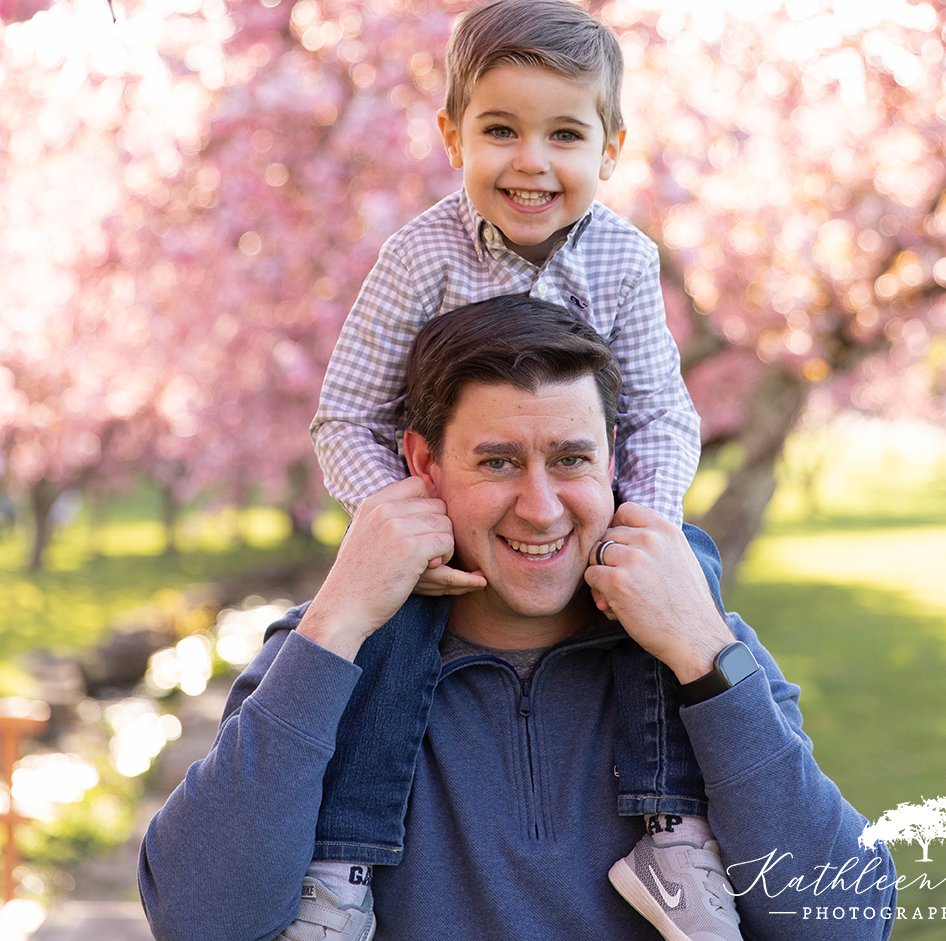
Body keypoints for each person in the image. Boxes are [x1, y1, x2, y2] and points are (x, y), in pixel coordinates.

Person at [140, 296, 896, 941]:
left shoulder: (705, 657)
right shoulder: (326, 654)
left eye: (570, 459)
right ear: (424, 465)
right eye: (498, 462)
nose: (540, 508)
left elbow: (847, 918)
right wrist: (336, 622)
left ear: (610, 463)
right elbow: (200, 918)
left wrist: (705, 653)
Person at [304, 0, 728, 935]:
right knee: (390, 644)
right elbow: (345, 417)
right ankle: (341, 864)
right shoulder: (420, 258)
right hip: (451, 525)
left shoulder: (622, 260)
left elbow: (661, 413)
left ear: (609, 149)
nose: (531, 162)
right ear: (454, 134)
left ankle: (671, 830)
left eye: (564, 135)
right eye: (500, 130)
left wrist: (638, 523)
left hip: (583, 519)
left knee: (683, 574)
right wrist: (403, 524)